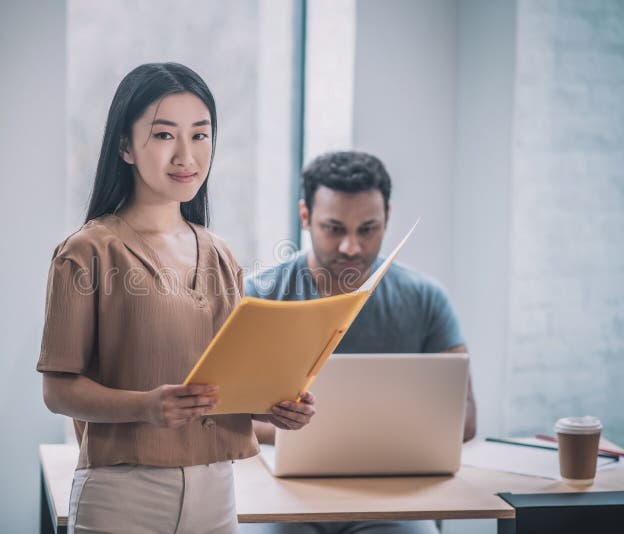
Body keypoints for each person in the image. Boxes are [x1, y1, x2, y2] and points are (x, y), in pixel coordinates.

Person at [36, 62, 315, 534]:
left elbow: (227, 383)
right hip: (124, 494)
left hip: (218, 493)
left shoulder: (220, 253)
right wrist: (145, 407)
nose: (187, 155)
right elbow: (57, 390)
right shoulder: (86, 252)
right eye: (165, 135)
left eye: (200, 135)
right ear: (125, 146)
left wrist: (273, 406)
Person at [243, 151, 476, 534]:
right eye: (334, 228)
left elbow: (464, 418)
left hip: (392, 503)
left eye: (368, 229)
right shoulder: (260, 295)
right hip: (280, 497)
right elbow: (221, 415)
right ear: (305, 217)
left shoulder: (426, 298)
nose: (351, 247)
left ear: (387, 218)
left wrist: (317, 432)